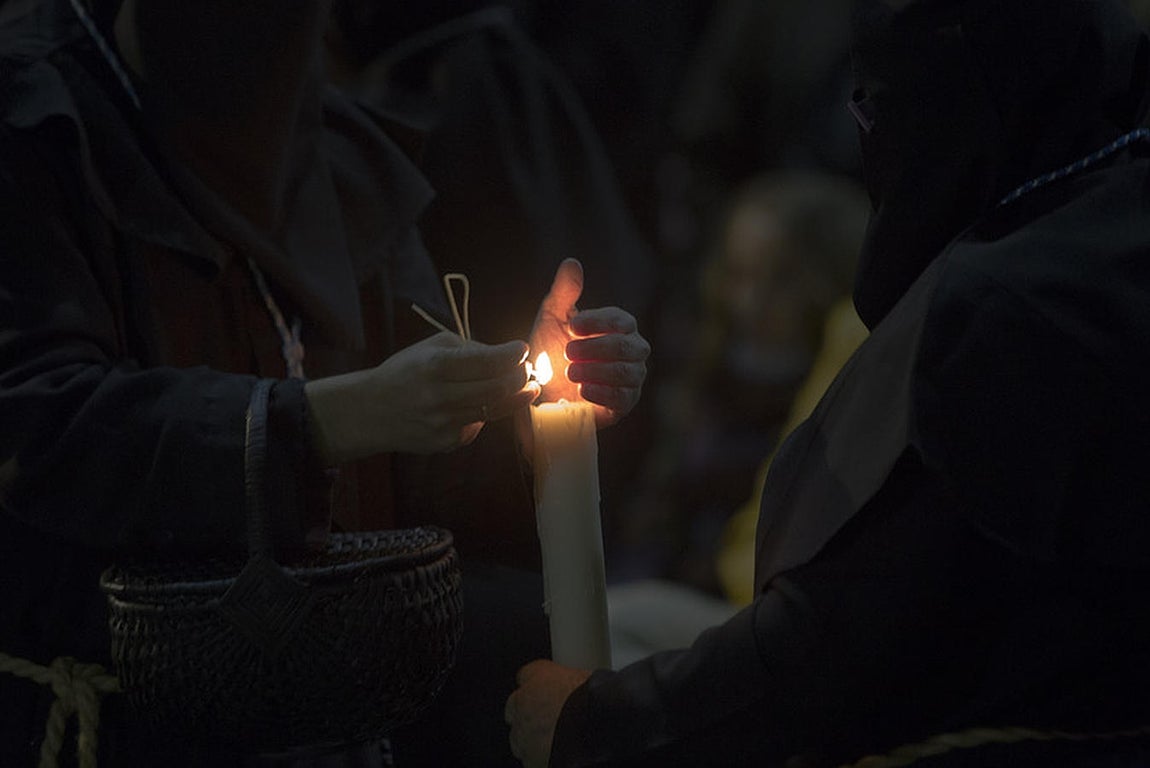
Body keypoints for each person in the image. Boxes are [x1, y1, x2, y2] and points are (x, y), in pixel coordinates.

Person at [0, 0, 648, 765]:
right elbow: (38, 428)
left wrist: (531, 409)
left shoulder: (313, 147)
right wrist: (326, 419)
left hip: (331, 722)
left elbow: (429, 468)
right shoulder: (36, 128)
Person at [505, 0, 1150, 765]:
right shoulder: (1102, 216)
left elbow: (853, 644)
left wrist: (595, 723)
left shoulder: (1008, 311)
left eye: (873, 105)